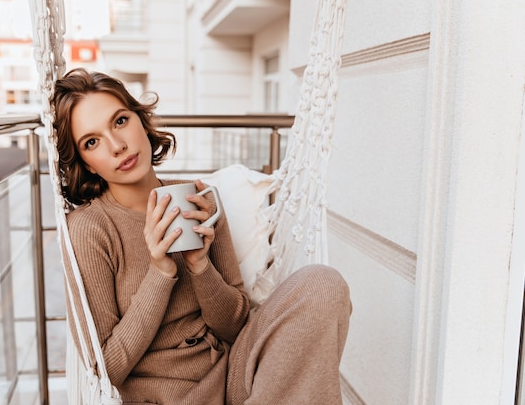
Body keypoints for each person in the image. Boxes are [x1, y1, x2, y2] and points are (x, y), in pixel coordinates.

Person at [51, 67, 352, 405]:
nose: (117, 146)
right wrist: (160, 272)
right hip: (164, 397)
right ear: (87, 163)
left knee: (323, 285)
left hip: (230, 376)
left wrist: (199, 266)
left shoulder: (200, 199)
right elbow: (105, 368)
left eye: (120, 121)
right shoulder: (89, 229)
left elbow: (236, 327)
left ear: (140, 120)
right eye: (92, 142)